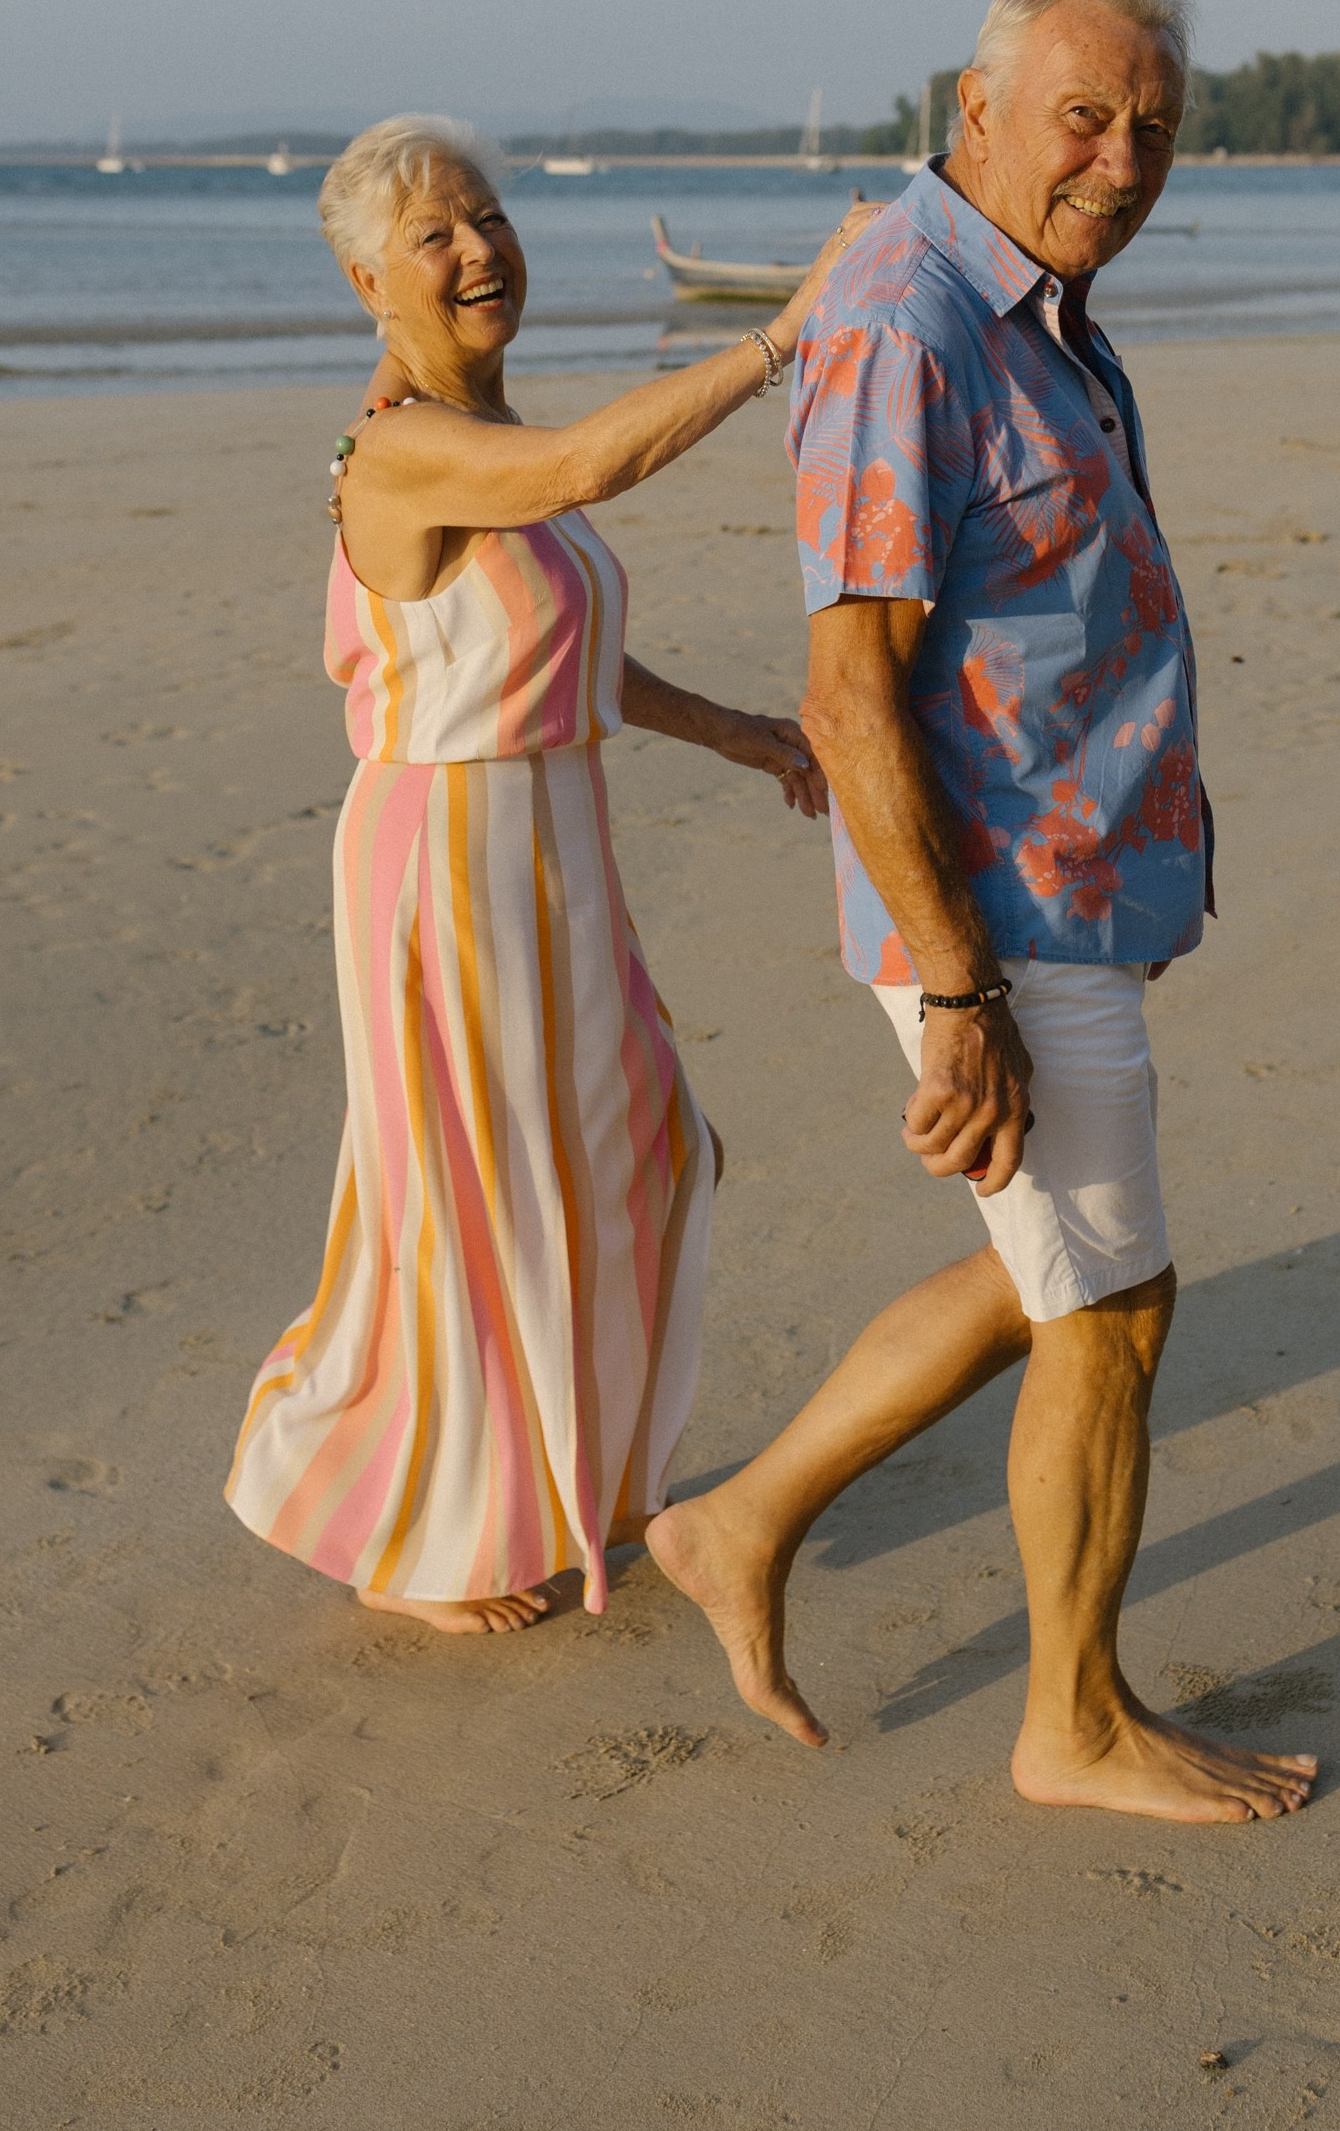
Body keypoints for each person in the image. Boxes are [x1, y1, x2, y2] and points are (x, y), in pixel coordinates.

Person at [649, 0, 1321, 1822]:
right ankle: (1073, 1723)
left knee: (1051, 1278)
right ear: (979, 103)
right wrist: (959, 990)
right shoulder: (908, 320)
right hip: (996, 915)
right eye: (1085, 117)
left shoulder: (1032, 301)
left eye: (1154, 129)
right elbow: (847, 682)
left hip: (1063, 884)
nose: (1121, 161)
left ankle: (743, 1519)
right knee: (1112, 1307)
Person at [226, 117, 870, 1633]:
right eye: (437, 235)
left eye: (490, 216)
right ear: (367, 279)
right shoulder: (402, 451)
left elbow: (558, 643)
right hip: (444, 853)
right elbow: (599, 461)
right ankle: (398, 1535)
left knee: (651, 1152)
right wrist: (788, 332)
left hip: (553, 844)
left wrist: (742, 733)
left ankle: (577, 1479)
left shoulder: (484, 434)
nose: (478, 249)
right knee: (463, 1197)